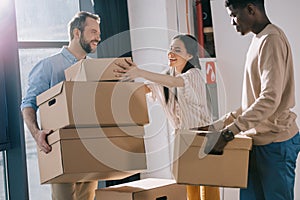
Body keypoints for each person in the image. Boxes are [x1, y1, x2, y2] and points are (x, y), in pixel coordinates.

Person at [198, 0, 300, 200]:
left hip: (275, 143)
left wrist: (229, 133)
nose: (232, 22)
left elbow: (270, 99)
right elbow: (251, 102)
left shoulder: (272, 40)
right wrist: (218, 126)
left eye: (234, 15)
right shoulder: (259, 40)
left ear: (251, 9)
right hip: (254, 141)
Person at [114, 34, 220, 200]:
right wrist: (117, 88)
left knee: (207, 185)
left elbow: (175, 83)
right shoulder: (168, 74)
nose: (171, 53)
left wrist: (140, 72)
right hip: (183, 137)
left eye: (177, 50)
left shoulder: (193, 74)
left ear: (189, 56)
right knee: (189, 184)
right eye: (170, 49)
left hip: (202, 135)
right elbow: (148, 89)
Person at [20, 11, 101, 200]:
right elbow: (28, 104)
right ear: (76, 33)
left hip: (90, 147)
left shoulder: (95, 69)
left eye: (98, 32)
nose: (98, 37)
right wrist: (36, 133)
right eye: (93, 32)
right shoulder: (49, 66)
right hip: (60, 148)